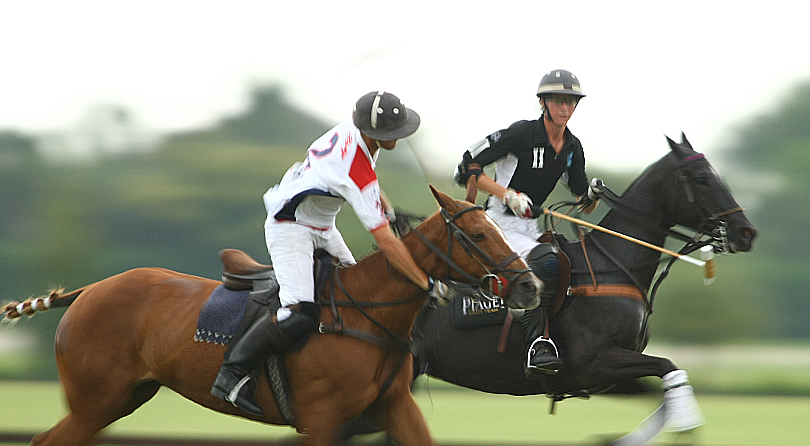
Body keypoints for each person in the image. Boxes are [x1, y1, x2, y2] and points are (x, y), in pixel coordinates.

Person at [212, 91, 451, 416]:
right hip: (290, 226)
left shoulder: (356, 134)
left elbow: (364, 178)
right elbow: (386, 243)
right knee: (301, 311)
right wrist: (426, 283)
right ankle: (232, 373)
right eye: (389, 133)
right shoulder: (354, 166)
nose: (396, 138)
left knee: (360, 293)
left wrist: (386, 206)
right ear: (369, 130)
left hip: (323, 225)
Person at [454, 69, 602, 379]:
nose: (566, 108)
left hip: (529, 229)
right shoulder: (521, 134)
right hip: (498, 224)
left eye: (571, 102)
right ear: (543, 103)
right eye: (559, 101)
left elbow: (582, 205)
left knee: (569, 263)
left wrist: (593, 195)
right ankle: (537, 344)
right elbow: (470, 166)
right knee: (547, 262)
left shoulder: (572, 148)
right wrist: (507, 195)